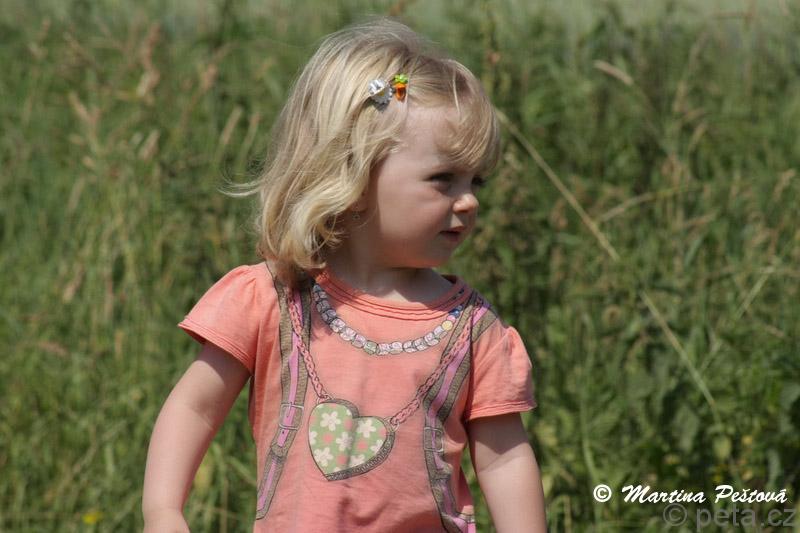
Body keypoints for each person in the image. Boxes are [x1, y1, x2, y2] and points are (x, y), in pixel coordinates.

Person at [142, 16, 547, 533]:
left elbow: (504, 459)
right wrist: (163, 511)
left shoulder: (472, 329)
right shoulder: (273, 298)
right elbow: (196, 408)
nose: (468, 201)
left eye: (476, 182)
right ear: (351, 175)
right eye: (443, 179)